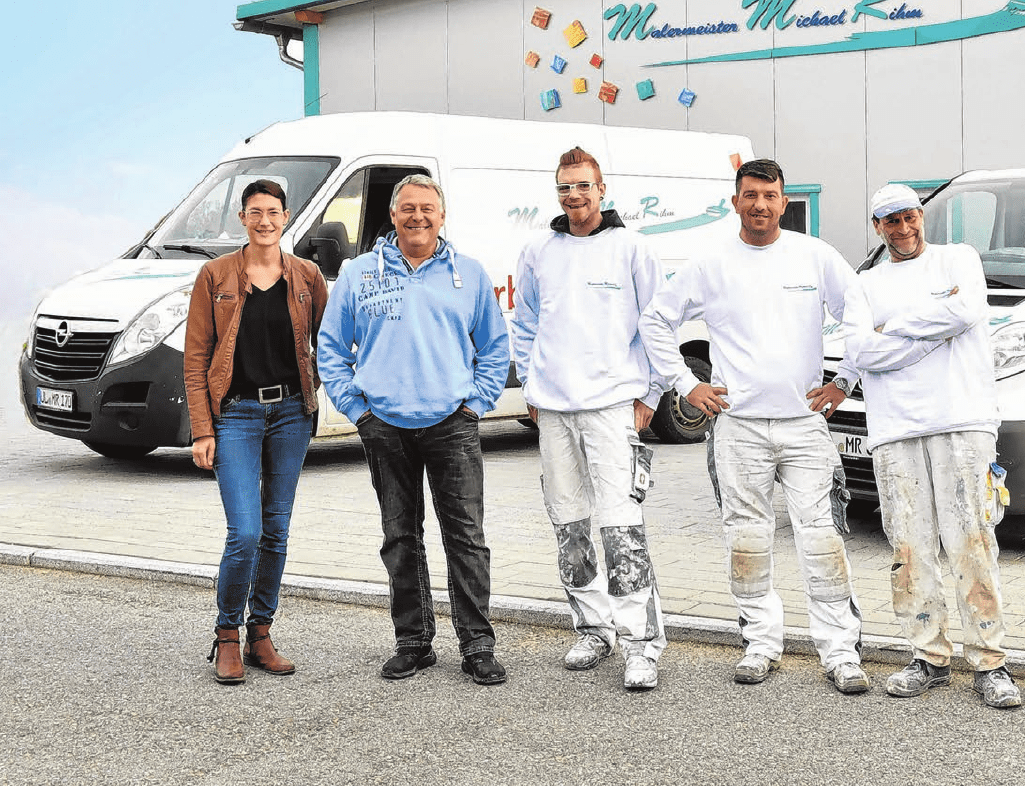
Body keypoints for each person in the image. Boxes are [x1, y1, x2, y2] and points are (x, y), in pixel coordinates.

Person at [638, 158, 869, 694]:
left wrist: (845, 380)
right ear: (735, 202)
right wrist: (685, 384)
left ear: (784, 202)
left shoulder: (815, 256)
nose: (760, 205)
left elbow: (858, 313)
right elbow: (655, 319)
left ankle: (840, 652)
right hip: (737, 427)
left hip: (804, 424)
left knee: (821, 539)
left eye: (770, 196)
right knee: (747, 539)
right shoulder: (710, 263)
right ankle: (761, 644)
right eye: (750, 195)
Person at [317, 174, 511, 685]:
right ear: (393, 215)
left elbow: (495, 346)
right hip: (384, 425)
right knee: (400, 538)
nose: (417, 216)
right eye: (407, 207)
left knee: (466, 539)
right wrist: (357, 410)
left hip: (453, 425)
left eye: (427, 208)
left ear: (442, 216)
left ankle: (477, 645)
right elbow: (330, 347)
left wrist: (476, 405)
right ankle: (413, 642)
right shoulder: (360, 273)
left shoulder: (468, 274)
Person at [843, 184, 1022, 709]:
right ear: (877, 227)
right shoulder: (865, 284)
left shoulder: (957, 259)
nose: (902, 229)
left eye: (909, 217)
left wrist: (895, 329)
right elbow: (861, 352)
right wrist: (933, 332)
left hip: (963, 420)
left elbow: (966, 312)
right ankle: (928, 656)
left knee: (972, 541)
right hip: (895, 430)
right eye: (890, 221)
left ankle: (990, 661)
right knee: (908, 547)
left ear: (921, 216)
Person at [509, 146, 668, 692]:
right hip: (555, 410)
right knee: (569, 523)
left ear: (602, 189)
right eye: (565, 186)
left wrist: (652, 393)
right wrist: (532, 386)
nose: (573, 195)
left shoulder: (632, 248)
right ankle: (594, 628)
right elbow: (525, 322)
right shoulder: (538, 250)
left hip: (612, 406)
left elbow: (656, 324)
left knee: (621, 526)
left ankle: (641, 643)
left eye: (583, 185)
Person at [184, 179, 328, 685]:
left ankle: (260, 632)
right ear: (242, 218)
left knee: (276, 530)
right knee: (244, 532)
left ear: (285, 217)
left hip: (291, 414)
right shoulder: (215, 275)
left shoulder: (307, 275)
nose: (264, 220)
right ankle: (227, 634)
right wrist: (202, 430)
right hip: (236, 415)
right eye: (255, 212)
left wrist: (331, 391)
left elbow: (330, 341)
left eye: (273, 212)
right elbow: (196, 357)